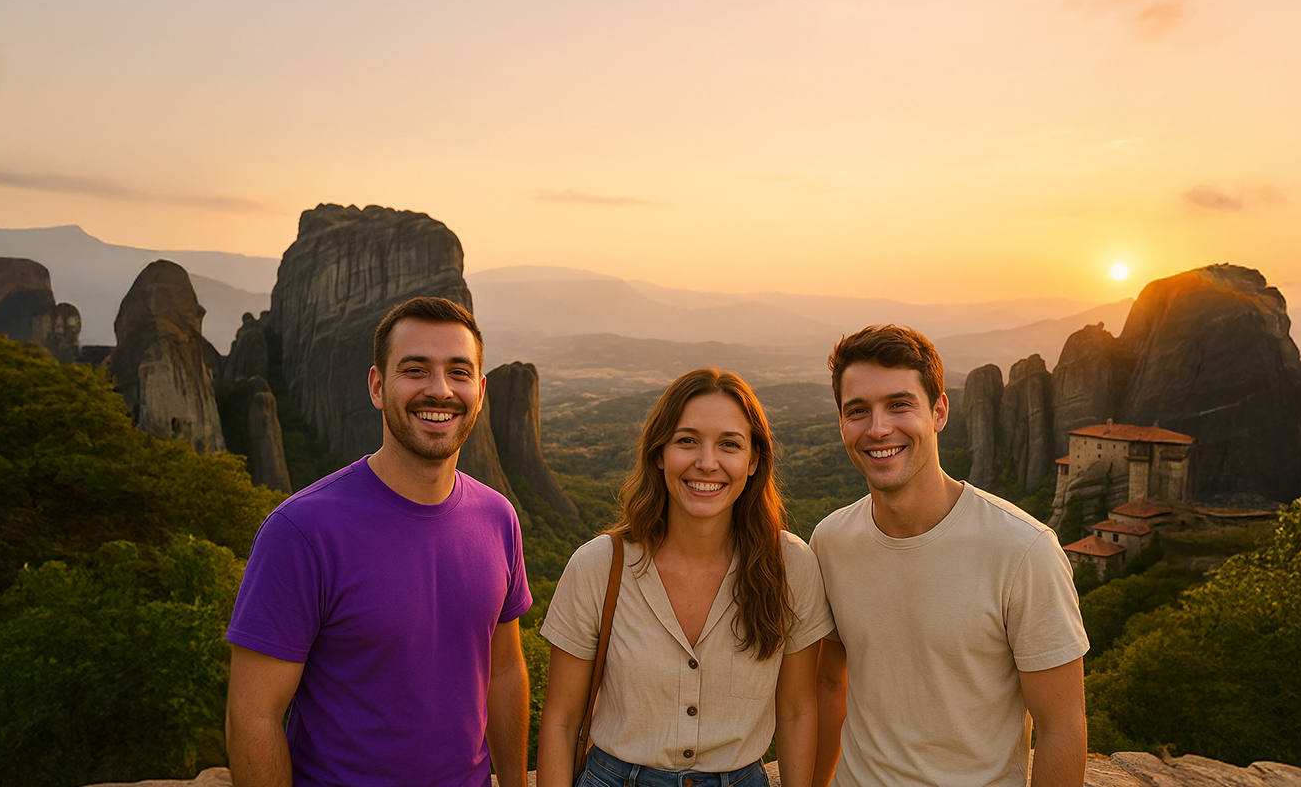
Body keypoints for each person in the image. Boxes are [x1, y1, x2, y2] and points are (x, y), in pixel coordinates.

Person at [224, 297, 531, 787]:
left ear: (480, 390)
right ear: (377, 386)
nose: (439, 390)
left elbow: (505, 669)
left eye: (459, 372)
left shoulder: (498, 517)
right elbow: (254, 715)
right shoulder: (302, 531)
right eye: (415, 370)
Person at [810, 325, 1089, 787]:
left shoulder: (1022, 549)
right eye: (857, 411)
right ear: (841, 421)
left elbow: (1062, 727)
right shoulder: (831, 540)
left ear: (939, 411)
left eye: (900, 405)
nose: (878, 429)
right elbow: (829, 684)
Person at [537, 368, 834, 787]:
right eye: (687, 441)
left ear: (753, 461)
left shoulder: (791, 566)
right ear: (659, 454)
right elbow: (562, 720)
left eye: (728, 444)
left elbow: (797, 711)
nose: (706, 462)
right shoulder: (597, 566)